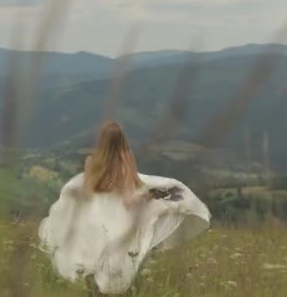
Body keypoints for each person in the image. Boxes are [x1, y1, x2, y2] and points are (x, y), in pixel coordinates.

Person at [38, 121, 211, 295]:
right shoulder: (125, 165)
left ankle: (93, 290)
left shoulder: (91, 162)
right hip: (117, 218)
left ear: (102, 141)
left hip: (93, 219)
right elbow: (129, 201)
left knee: (91, 258)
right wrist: (151, 197)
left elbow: (88, 193)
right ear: (123, 141)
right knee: (116, 258)